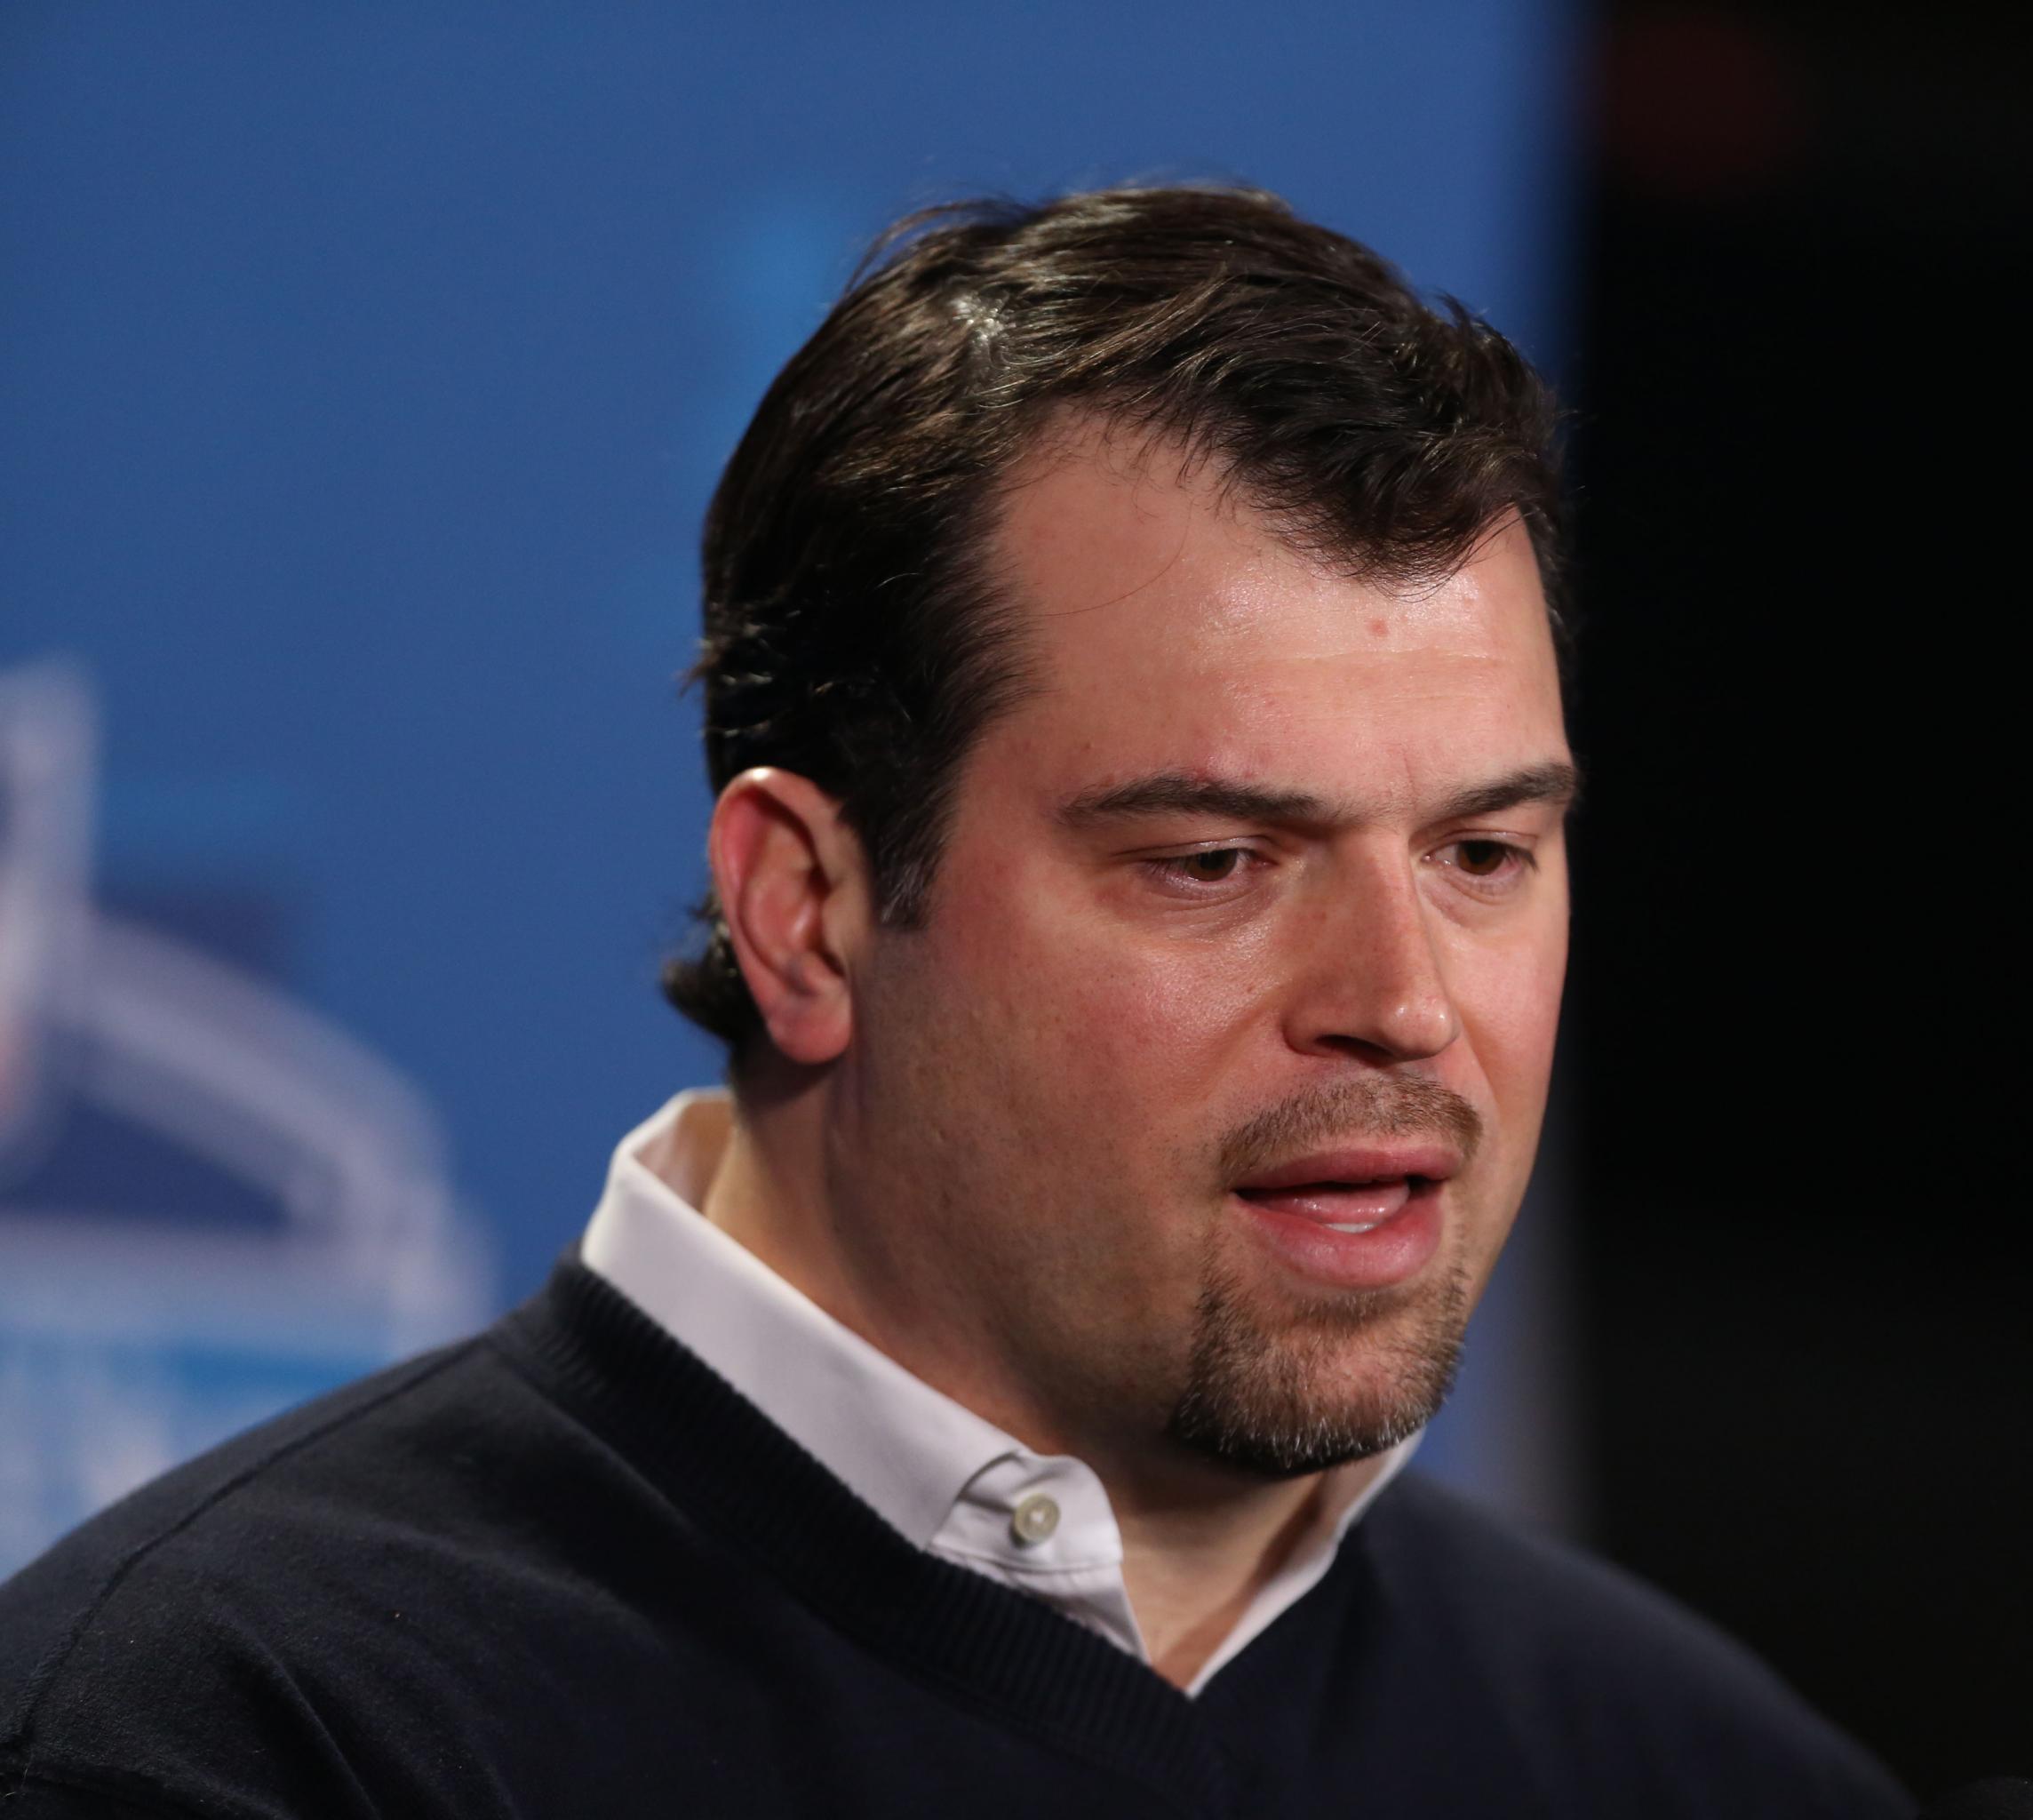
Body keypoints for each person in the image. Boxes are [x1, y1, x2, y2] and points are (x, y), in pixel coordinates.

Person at [0, 186, 1909, 1818]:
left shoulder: (1694, 1769)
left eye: (1483, 854)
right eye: (1215, 863)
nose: (1403, 1005)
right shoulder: (236, 1735)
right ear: (809, 914)